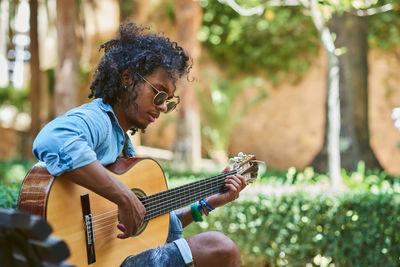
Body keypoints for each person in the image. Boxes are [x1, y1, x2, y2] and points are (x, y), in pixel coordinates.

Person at [32, 22, 247, 267]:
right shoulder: (99, 120)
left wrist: (208, 203)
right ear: (127, 78)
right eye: (159, 94)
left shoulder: (122, 144)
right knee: (219, 248)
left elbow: (154, 228)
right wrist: (124, 197)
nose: (164, 106)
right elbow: (52, 139)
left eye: (169, 100)